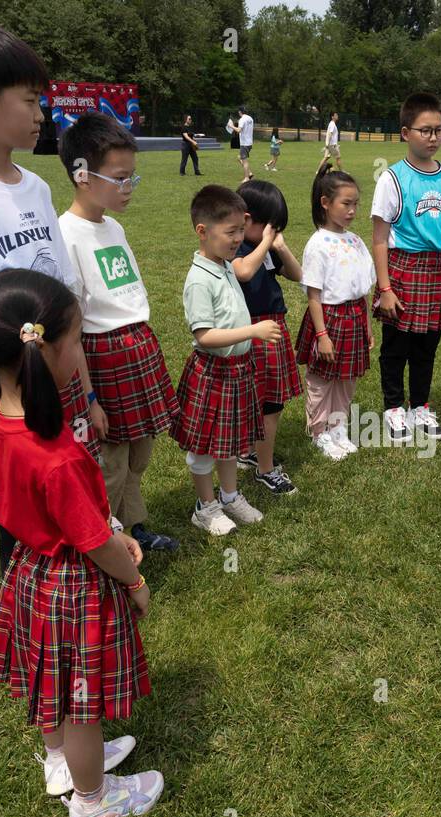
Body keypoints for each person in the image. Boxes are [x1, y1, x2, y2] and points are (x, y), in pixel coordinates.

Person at [0, 268, 163, 817]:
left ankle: (61, 762)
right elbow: (95, 541)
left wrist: (104, 527)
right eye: (77, 340)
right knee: (83, 705)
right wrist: (134, 581)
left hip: (30, 574)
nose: (81, 352)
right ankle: (93, 799)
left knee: (50, 682)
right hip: (71, 584)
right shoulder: (58, 452)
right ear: (46, 350)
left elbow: (71, 517)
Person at [0, 23, 98, 571]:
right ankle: (29, 605)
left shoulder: (36, 186)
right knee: (23, 505)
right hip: (5, 381)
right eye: (30, 101)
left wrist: (88, 386)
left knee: (68, 477)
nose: (40, 114)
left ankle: (85, 573)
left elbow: (64, 291)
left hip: (57, 361)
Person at [58, 111, 183, 554]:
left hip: (138, 349)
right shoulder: (65, 235)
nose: (128, 186)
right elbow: (71, 330)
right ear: (81, 175)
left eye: (133, 177)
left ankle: (135, 526)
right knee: (110, 459)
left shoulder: (113, 225)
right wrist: (89, 398)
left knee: (139, 454)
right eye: (120, 177)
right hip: (103, 357)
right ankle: (104, 547)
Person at [171, 185, 281, 535]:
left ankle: (230, 496)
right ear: (202, 231)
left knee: (230, 441)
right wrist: (251, 332)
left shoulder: (225, 266)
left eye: (239, 230)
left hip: (236, 371)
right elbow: (204, 335)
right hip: (213, 372)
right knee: (204, 446)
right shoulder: (199, 280)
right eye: (230, 232)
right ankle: (205, 507)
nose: (237, 239)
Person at [370, 91, 441, 444]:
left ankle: (420, 406)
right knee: (396, 345)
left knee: (427, 346)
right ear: (405, 133)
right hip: (403, 270)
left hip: (438, 271)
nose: (433, 137)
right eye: (425, 130)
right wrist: (385, 288)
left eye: (438, 131)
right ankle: (393, 408)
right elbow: (380, 238)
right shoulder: (392, 179)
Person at [298, 163, 376, 460]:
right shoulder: (318, 244)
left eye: (356, 204)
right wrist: (321, 335)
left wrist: (367, 326)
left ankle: (338, 427)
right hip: (329, 319)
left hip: (354, 317)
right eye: (346, 203)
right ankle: (319, 431)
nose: (352, 210)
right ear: (325, 203)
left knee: (347, 377)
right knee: (322, 378)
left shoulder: (355, 240)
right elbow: (314, 295)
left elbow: (363, 290)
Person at [233, 179, 303, 491]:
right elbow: (244, 271)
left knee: (269, 401)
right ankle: (265, 467)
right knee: (265, 403)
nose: (272, 234)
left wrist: (281, 246)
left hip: (272, 327)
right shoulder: (234, 246)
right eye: (269, 226)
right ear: (246, 219)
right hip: (251, 330)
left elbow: (299, 275)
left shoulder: (265, 246)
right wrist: (264, 244)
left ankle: (252, 452)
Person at [227, 105, 254, 181]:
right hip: (250, 143)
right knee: (239, 158)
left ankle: (246, 178)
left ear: (240, 111)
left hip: (244, 143)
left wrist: (231, 126)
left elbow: (239, 130)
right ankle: (250, 173)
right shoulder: (250, 118)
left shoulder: (242, 119)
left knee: (244, 161)